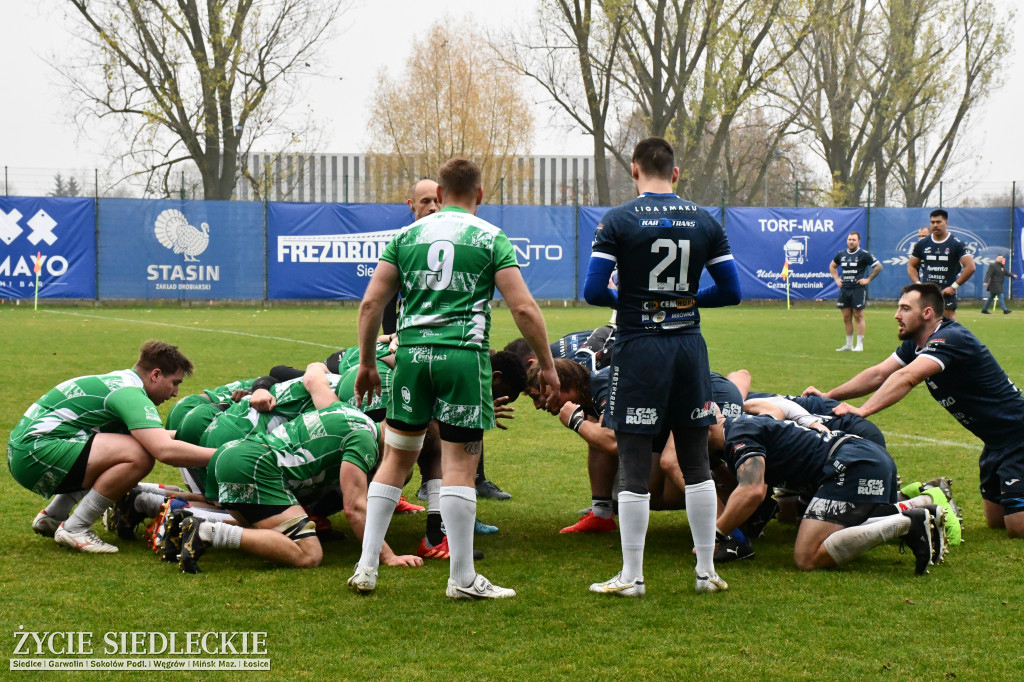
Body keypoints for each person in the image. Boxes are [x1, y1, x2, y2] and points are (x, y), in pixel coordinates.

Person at [349, 157, 559, 599]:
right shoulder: (490, 237)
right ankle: (462, 579)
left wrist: (368, 362)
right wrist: (548, 363)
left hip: (410, 358)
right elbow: (523, 308)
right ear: (480, 195)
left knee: (395, 458)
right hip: (462, 358)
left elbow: (371, 305)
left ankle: (368, 566)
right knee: (460, 466)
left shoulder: (405, 236)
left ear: (439, 195)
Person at [582, 136, 741, 596]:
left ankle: (633, 576)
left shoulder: (617, 220)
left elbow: (594, 291)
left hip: (639, 348)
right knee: (696, 463)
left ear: (634, 170)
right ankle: (706, 571)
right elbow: (730, 291)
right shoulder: (705, 220)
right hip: (688, 348)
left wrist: (632, 303)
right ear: (675, 173)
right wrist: (687, 300)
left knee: (634, 464)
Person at [804, 282, 1024, 539]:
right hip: (995, 442)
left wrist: (863, 410)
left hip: (1017, 435)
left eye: (905, 308)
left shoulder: (950, 338)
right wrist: (829, 395)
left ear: (927, 313)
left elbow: (907, 377)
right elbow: (878, 374)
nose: (897, 315)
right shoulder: (915, 345)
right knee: (996, 522)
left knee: (1017, 528)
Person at [177, 363, 423, 572]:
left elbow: (313, 375)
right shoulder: (364, 441)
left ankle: (179, 516)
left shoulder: (343, 408)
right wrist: (388, 557)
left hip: (235, 453)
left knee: (257, 527)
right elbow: (355, 509)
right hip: (254, 464)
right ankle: (205, 531)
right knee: (309, 554)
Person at [8, 340, 215, 553]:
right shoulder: (129, 393)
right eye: (174, 383)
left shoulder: (121, 382)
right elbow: (163, 450)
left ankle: (53, 516)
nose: (175, 393)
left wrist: (195, 437)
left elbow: (156, 436)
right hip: (36, 453)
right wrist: (223, 455)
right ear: (155, 374)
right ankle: (76, 527)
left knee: (125, 447)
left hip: (26, 453)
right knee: (140, 455)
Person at [708, 412, 947, 574]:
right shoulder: (743, 425)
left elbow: (752, 491)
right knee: (812, 520)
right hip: (859, 456)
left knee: (807, 557)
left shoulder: (738, 435)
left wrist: (713, 537)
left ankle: (907, 524)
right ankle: (918, 506)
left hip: (851, 463)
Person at [907, 209, 975, 321]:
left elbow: (970, 267)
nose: (935, 225)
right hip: (928, 292)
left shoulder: (956, 243)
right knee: (926, 323)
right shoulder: (922, 244)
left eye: (939, 222)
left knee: (948, 323)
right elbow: (911, 266)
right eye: (932, 222)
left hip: (946, 293)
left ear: (946, 223)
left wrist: (954, 287)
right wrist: (918, 284)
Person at [831, 231, 882, 352]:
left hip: (858, 289)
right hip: (845, 289)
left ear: (858, 241)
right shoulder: (841, 254)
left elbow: (878, 266)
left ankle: (859, 345)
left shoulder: (864, 254)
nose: (851, 242)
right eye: (849, 239)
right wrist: (837, 279)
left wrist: (868, 279)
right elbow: (832, 266)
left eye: (853, 240)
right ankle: (848, 345)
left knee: (858, 316)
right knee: (846, 317)